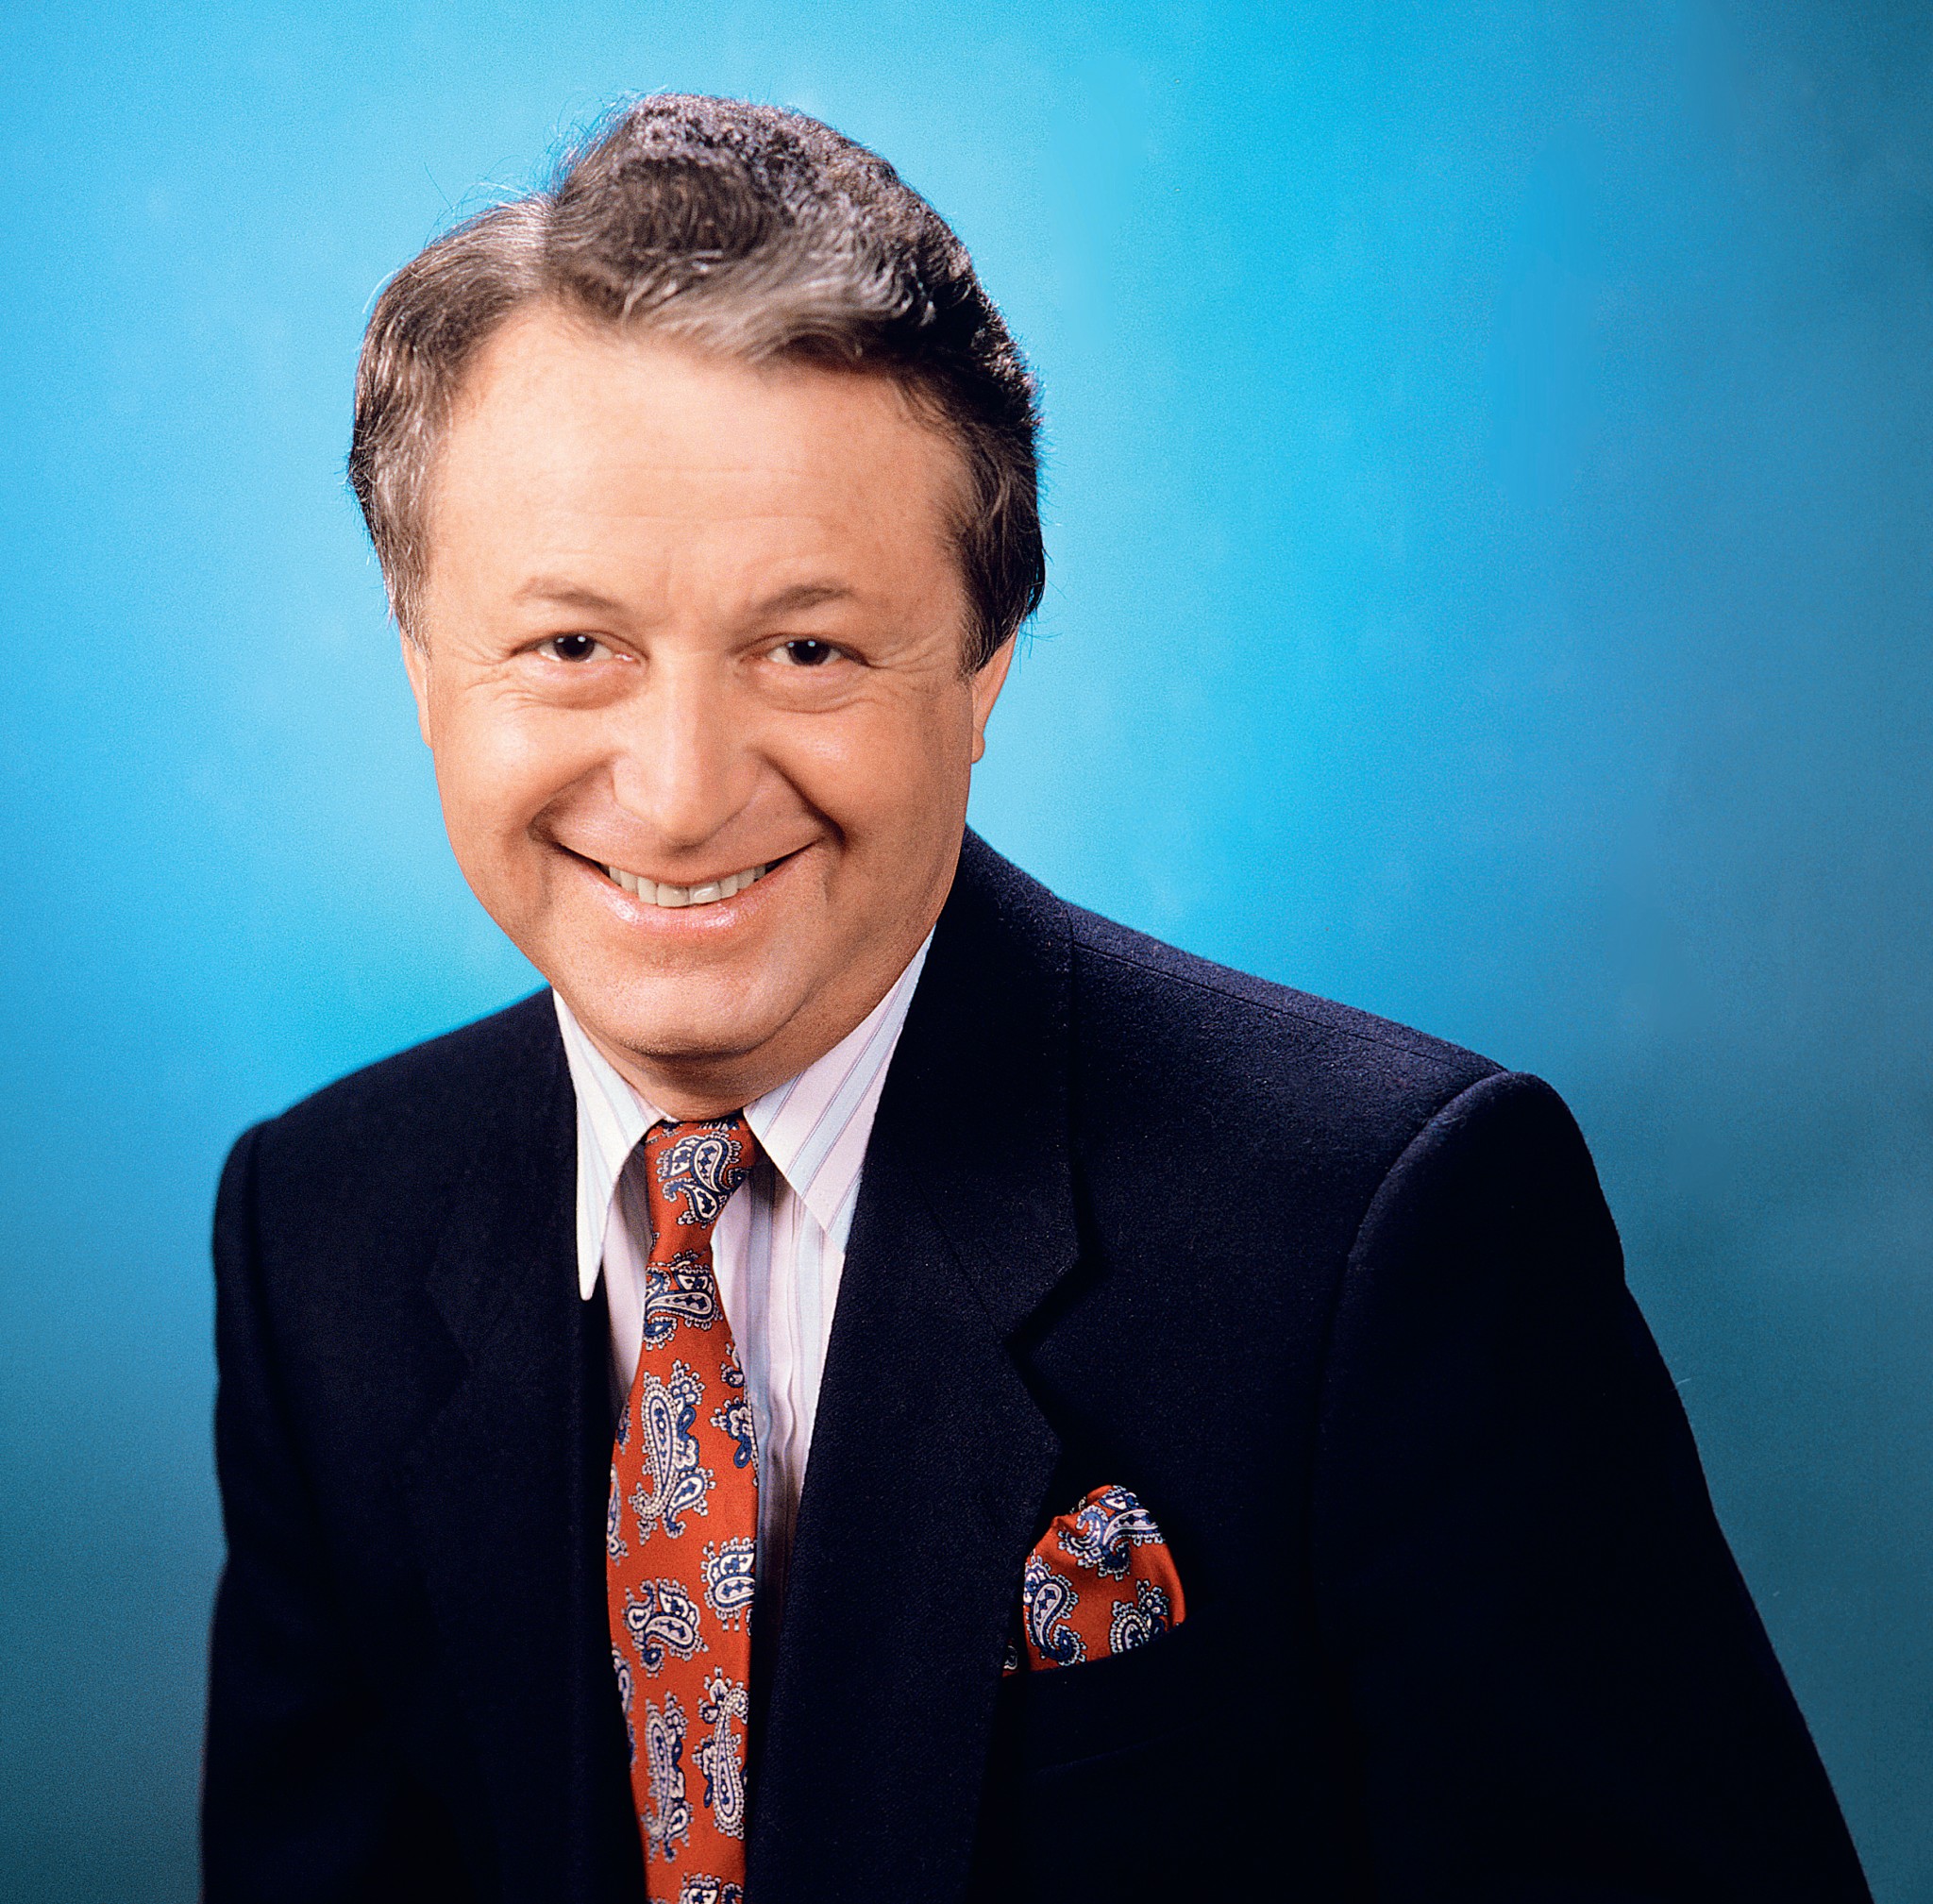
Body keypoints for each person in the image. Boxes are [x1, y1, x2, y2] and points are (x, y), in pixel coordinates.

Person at [201, 94, 1871, 1904]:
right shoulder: (319, 1231)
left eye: (809, 646)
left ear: (985, 663)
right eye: (573, 645)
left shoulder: (1391, 1230)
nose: (681, 792)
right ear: (419, 657)